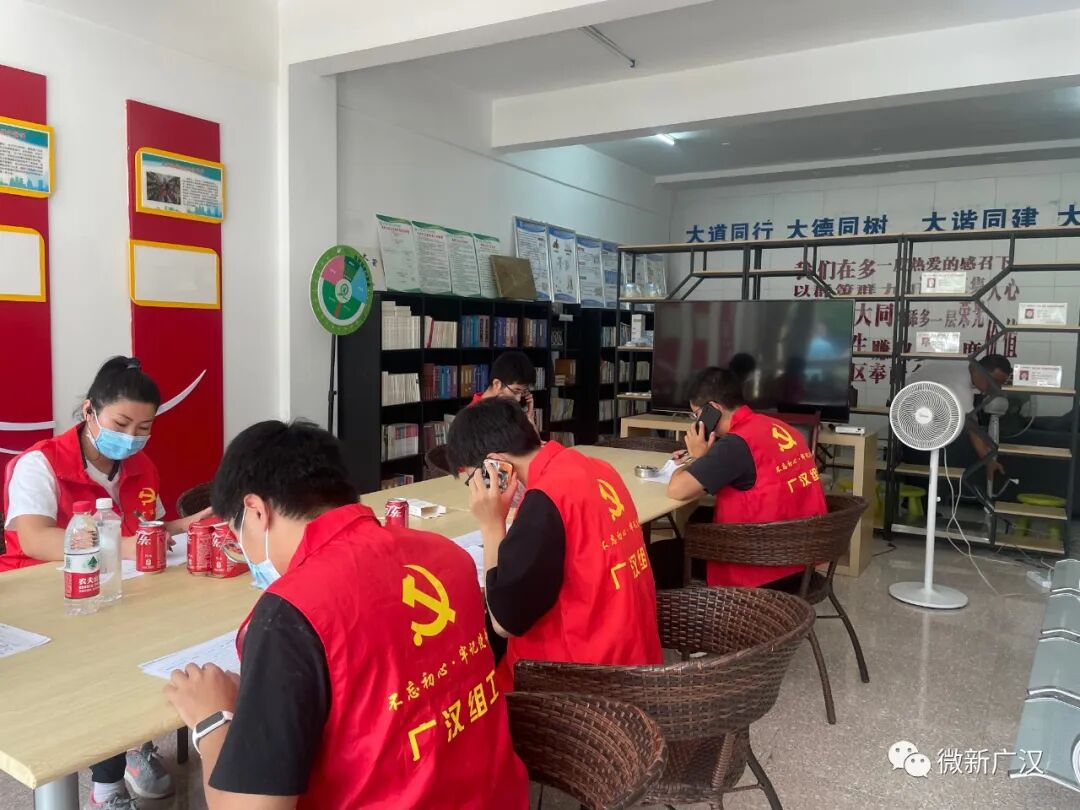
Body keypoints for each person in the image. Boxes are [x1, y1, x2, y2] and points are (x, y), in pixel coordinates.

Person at [164, 420, 528, 809]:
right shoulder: (447, 554)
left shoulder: (291, 613)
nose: (245, 552)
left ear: (255, 511)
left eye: (238, 537)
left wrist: (212, 720)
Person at [2, 356, 207, 808]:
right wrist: (125, 546)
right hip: (42, 603)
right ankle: (107, 786)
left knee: (159, 637)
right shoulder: (40, 463)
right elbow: (33, 538)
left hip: (116, 591)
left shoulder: (141, 466)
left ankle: (133, 748)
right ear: (90, 411)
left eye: (144, 428)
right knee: (107, 662)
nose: (131, 437)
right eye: (121, 423)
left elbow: (148, 531)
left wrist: (188, 525)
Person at [446, 398, 662, 690]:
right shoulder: (598, 468)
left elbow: (504, 622)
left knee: (467, 676)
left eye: (473, 479)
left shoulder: (546, 500)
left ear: (494, 466)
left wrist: (491, 523)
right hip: (635, 661)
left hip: (580, 686)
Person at [667, 366, 826, 588]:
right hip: (801, 562)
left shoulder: (735, 445)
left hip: (758, 569)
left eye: (696, 415)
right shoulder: (782, 428)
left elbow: (677, 490)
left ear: (713, 409)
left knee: (658, 557)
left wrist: (695, 458)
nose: (696, 423)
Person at [904, 355, 1012, 477]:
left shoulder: (967, 367)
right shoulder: (960, 384)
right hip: (911, 413)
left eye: (1001, 383)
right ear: (979, 370)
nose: (996, 387)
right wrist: (989, 461)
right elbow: (972, 428)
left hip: (927, 405)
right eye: (994, 381)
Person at [470, 350, 535, 422]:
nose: (518, 399)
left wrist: (530, 418)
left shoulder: (505, 408)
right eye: (516, 391)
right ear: (497, 384)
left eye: (523, 392)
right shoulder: (473, 417)